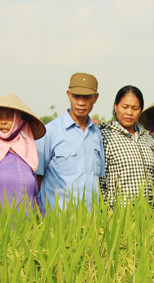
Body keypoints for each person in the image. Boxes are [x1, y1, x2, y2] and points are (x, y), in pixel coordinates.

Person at [36, 73, 105, 213]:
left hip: (91, 222)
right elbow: (37, 178)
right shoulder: (49, 132)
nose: (81, 102)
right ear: (68, 95)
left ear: (95, 98)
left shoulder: (96, 134)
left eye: (86, 97)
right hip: (58, 221)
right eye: (76, 96)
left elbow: (98, 180)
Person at [98, 85, 154, 207]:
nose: (129, 112)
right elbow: (100, 182)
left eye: (135, 108)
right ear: (115, 106)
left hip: (148, 216)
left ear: (141, 111)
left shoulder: (148, 139)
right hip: (117, 215)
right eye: (125, 107)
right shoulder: (104, 136)